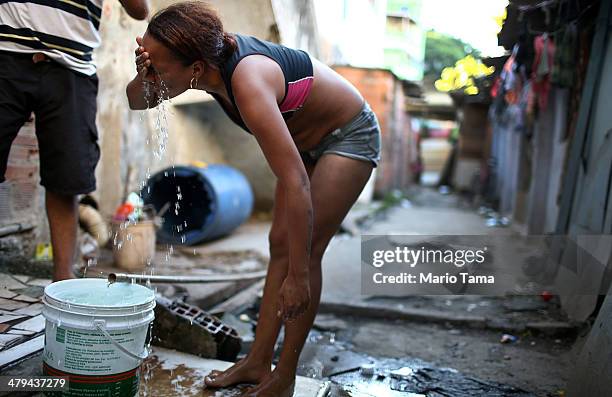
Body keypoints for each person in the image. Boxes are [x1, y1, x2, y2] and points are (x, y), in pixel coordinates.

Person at [126, 2, 381, 396]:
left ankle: (285, 376)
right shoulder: (205, 69)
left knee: (304, 251)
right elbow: (136, 99)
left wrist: (297, 276)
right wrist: (146, 69)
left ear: (194, 68)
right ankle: (257, 362)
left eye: (158, 68)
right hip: (304, 145)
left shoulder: (247, 77)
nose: (153, 76)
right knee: (279, 244)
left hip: (347, 135)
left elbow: (295, 181)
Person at [0, 0, 149, 281]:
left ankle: (62, 283)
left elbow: (140, 11)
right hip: (5, 50)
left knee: (68, 179)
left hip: (73, 68)